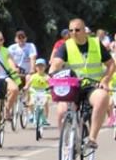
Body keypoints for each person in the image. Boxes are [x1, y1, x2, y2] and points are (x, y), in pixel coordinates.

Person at [49, 18, 115, 148]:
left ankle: (92, 138)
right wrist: (51, 75)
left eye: (77, 30)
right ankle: (65, 141)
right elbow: (56, 64)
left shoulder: (96, 43)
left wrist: (105, 80)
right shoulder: (66, 45)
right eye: (71, 30)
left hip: (93, 85)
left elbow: (111, 64)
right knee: (62, 111)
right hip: (72, 85)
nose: (73, 33)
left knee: (102, 97)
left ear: (84, 31)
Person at [27, 57, 51, 126]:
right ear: (35, 67)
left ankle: (45, 118)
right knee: (31, 103)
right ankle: (31, 114)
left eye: (42, 66)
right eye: (38, 66)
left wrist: (51, 87)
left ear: (45, 67)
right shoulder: (33, 76)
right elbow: (29, 83)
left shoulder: (47, 76)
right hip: (35, 91)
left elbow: (50, 84)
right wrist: (26, 87)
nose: (40, 67)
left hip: (44, 92)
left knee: (45, 103)